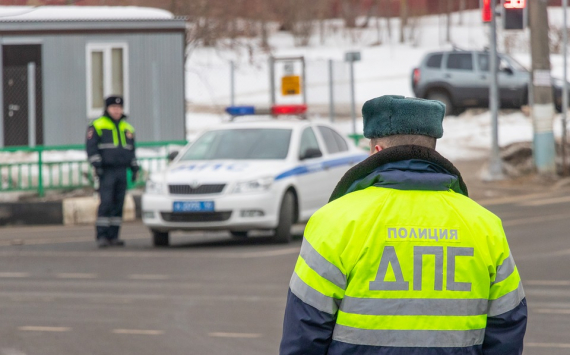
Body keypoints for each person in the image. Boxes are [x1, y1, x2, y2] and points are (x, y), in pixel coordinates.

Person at [280, 95, 527, 355]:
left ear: (376, 151)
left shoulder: (334, 222)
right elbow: (507, 326)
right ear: (433, 150)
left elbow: (305, 330)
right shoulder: (485, 226)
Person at [86, 96, 139, 248]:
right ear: (107, 109)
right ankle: (102, 235)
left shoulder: (128, 128)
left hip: (122, 170)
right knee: (106, 203)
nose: (117, 110)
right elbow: (91, 147)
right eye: (113, 108)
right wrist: (97, 164)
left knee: (118, 203)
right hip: (107, 171)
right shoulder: (97, 125)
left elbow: (131, 151)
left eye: (119, 108)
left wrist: (134, 167)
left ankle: (114, 236)